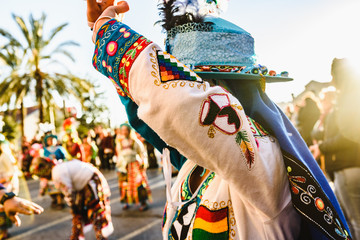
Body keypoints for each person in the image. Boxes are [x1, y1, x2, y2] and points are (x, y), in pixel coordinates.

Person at [87, 1, 352, 239]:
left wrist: (109, 34)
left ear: (225, 87)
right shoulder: (199, 162)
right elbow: (155, 115)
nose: (186, 86)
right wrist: (108, 37)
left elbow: (179, 102)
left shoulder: (262, 158)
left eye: (196, 81)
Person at [310, 58, 360, 239]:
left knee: (355, 221)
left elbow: (349, 134)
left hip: (348, 167)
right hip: (346, 167)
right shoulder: (350, 97)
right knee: (349, 219)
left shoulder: (348, 100)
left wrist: (322, 147)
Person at [30, 157, 113, 240]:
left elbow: (69, 193)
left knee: (94, 211)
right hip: (83, 183)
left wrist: (74, 206)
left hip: (91, 182)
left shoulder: (57, 174)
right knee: (78, 213)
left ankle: (101, 236)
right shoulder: (57, 169)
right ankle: (77, 236)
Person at [115, 124, 151, 211]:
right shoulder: (119, 142)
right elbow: (119, 154)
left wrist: (144, 163)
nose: (124, 132)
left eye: (126, 130)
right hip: (124, 166)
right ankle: (126, 202)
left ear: (129, 131)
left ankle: (143, 202)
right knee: (124, 185)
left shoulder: (135, 142)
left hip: (134, 165)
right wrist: (119, 165)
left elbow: (142, 153)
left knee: (139, 183)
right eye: (122, 130)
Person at [0, 134, 19, 239]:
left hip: (4, 185)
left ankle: (3, 231)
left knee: (2, 209)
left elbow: (12, 172)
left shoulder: (5, 156)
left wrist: (3, 181)